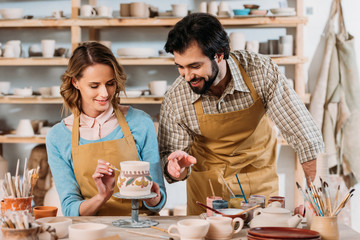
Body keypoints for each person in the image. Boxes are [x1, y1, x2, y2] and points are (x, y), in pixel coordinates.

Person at [158, 13, 324, 215]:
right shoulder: (177, 97)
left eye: (195, 66)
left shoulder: (259, 71)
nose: (187, 76)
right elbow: (170, 161)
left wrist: (315, 197)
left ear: (219, 54)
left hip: (259, 186)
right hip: (208, 196)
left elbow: (303, 134)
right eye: (180, 67)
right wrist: (175, 168)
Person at [46, 42, 166, 216]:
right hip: (91, 232)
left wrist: (153, 197)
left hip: (142, 230)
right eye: (94, 86)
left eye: (110, 83)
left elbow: (159, 200)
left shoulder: (140, 122)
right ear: (75, 82)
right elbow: (70, 209)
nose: (104, 93)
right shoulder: (58, 136)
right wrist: (102, 196)